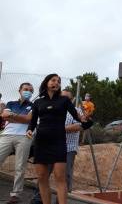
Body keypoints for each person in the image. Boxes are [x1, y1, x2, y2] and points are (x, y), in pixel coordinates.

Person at [26, 74, 83, 204]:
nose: (56, 83)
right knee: (42, 177)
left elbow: (79, 119)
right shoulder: (38, 102)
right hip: (41, 142)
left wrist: (83, 119)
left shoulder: (64, 101)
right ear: (46, 82)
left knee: (60, 177)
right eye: (53, 80)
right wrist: (29, 130)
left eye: (58, 81)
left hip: (59, 142)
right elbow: (33, 122)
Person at [0, 82, 34, 204]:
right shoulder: (11, 103)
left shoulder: (34, 106)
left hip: (24, 137)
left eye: (30, 90)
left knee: (20, 166)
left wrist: (13, 115)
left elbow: (29, 119)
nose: (28, 91)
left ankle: (15, 195)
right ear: (19, 90)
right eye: (25, 89)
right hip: (6, 135)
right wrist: (20, 118)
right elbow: (4, 116)